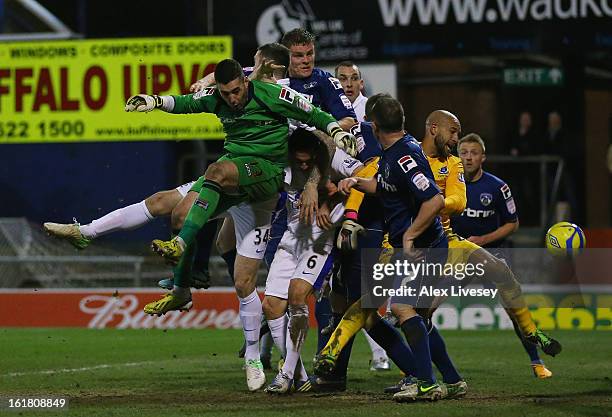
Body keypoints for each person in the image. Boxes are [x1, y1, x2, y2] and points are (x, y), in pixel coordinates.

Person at [125, 58, 357, 391]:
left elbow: (315, 117)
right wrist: (156, 101)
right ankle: (295, 374)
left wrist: (335, 132)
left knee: (216, 174)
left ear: (246, 83)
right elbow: (187, 103)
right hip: (266, 204)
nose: (232, 98)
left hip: (279, 189)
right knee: (263, 296)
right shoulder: (219, 98)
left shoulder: (275, 96)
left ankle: (183, 249)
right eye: (226, 93)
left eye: (236, 91)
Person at [335, 96, 449, 401]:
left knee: (401, 308)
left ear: (373, 126)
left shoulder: (402, 157)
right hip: (417, 247)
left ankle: (426, 382)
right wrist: (357, 182)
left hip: (422, 246)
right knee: (413, 313)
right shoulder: (395, 151)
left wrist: (411, 235)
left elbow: (435, 200)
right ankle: (440, 380)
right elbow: (386, 185)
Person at [263, 128, 365, 394]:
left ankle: (285, 374)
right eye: (300, 161)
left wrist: (329, 201)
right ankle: (300, 374)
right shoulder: (280, 162)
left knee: (297, 296)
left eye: (309, 161)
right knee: (271, 306)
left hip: (320, 243)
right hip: (290, 240)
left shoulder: (335, 159)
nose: (304, 165)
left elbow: (365, 173)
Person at [452, 133, 553, 379]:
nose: (468, 157)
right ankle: (414, 367)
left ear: (482, 157)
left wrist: (482, 241)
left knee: (513, 308)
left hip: (491, 253)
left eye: (473, 153)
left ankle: (536, 362)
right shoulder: (449, 183)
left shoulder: (497, 187)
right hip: (457, 254)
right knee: (428, 306)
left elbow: (513, 224)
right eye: (463, 152)